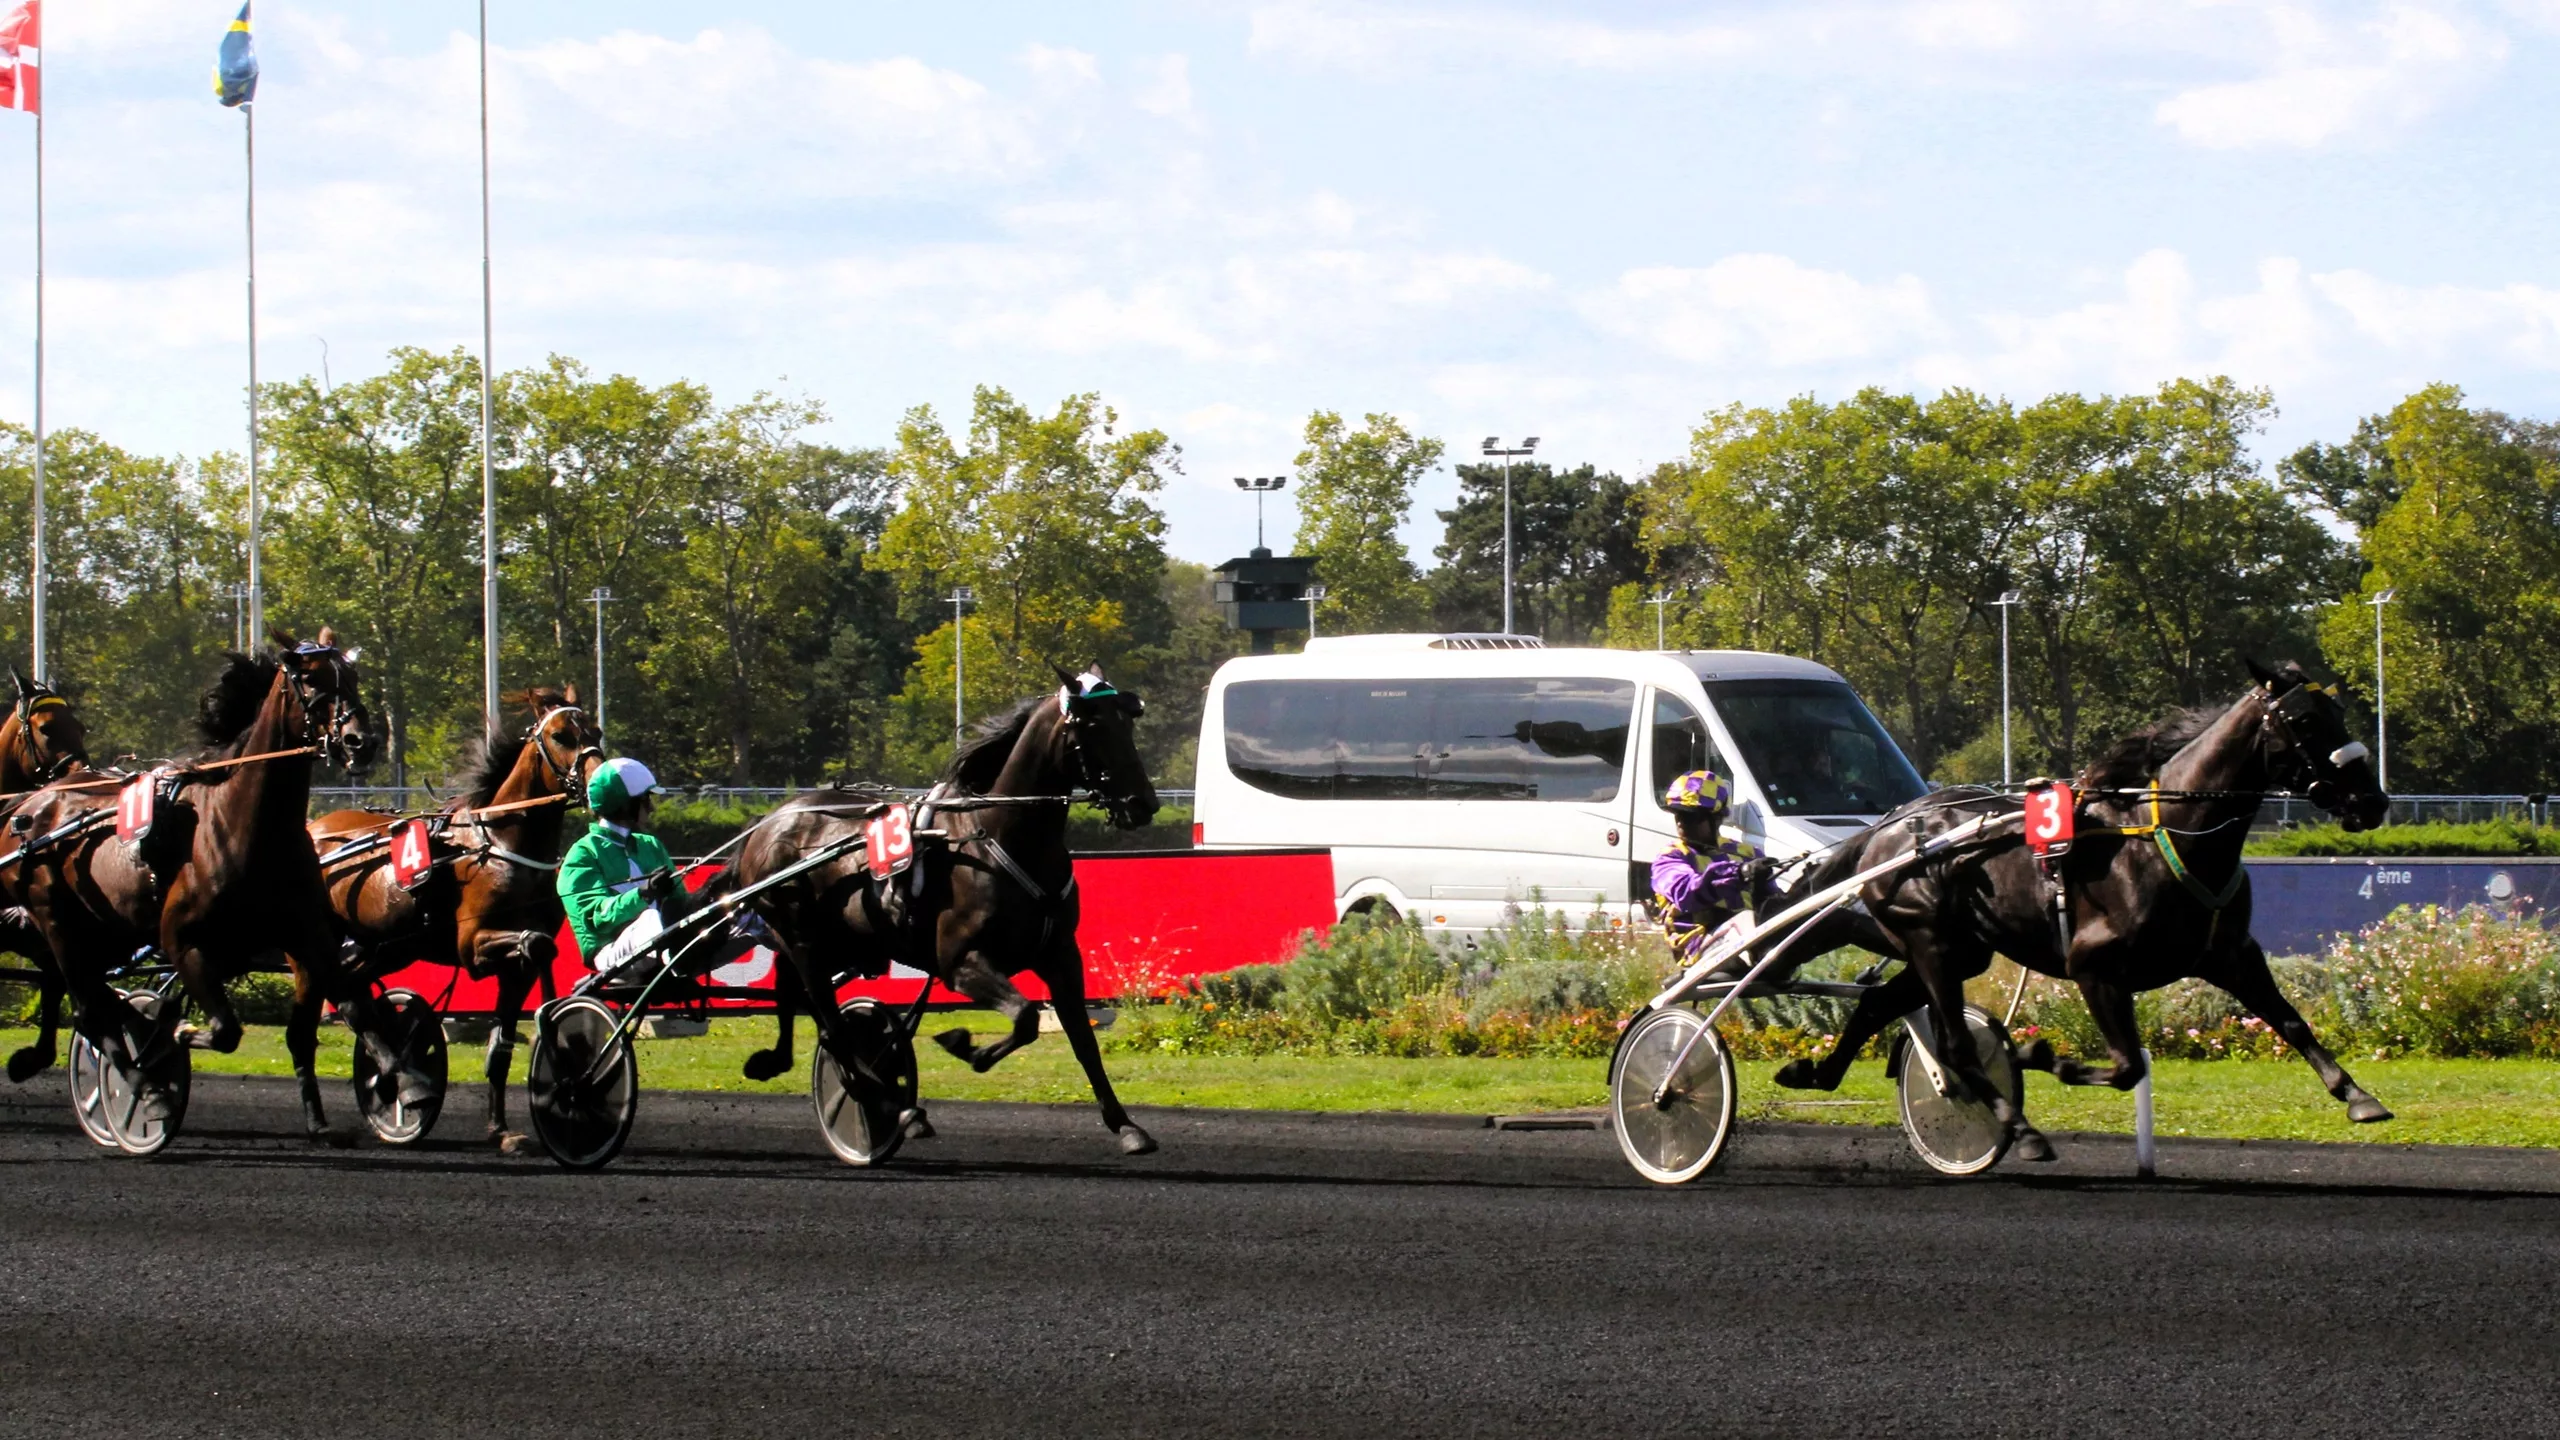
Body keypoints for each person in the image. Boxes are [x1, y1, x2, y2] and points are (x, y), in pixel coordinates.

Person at [558, 757, 702, 984]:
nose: (652, 808)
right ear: (626, 805)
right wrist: (642, 894)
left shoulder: (650, 845)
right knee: (650, 917)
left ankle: (695, 951)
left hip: (657, 939)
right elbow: (598, 918)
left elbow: (680, 901)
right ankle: (679, 960)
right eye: (646, 800)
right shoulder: (583, 854)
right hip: (611, 952)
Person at [1650, 769, 1775, 964]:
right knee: (1746, 920)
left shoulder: (1748, 854)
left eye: (1693, 817)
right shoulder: (1669, 859)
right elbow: (1686, 893)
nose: (1682, 822)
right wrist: (1738, 874)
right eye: (1678, 815)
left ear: (1717, 818)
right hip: (1699, 949)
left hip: (1748, 939)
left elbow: (1774, 901)